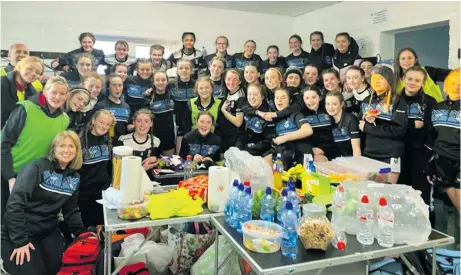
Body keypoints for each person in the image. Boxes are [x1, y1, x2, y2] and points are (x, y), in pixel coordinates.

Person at [1, 131, 86, 275]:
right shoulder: (37, 167)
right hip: (19, 233)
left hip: (47, 232)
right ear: (54, 148)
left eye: (71, 146)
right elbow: (15, 203)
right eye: (62, 146)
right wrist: (20, 241)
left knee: (57, 269)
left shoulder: (74, 178)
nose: (66, 150)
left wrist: (83, 234)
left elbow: (70, 210)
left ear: (77, 151)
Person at [1, 76, 70, 219]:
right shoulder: (25, 108)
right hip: (10, 175)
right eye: (53, 92)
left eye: (62, 94)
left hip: (35, 179)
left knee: (24, 223)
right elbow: (4, 143)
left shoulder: (64, 119)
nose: (57, 97)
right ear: (45, 91)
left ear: (67, 95)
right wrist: (9, 177)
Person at [396, 66, 437, 209]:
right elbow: (391, 127)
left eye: (417, 80)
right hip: (398, 152)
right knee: (399, 193)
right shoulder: (394, 100)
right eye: (410, 79)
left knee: (420, 194)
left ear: (423, 83)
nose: (412, 83)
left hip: (421, 153)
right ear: (403, 79)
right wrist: (412, 125)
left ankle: (424, 227)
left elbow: (434, 129)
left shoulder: (431, 102)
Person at [359, 64, 408, 184]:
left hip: (390, 154)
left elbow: (399, 131)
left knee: (387, 191)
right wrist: (368, 121)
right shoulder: (367, 101)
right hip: (370, 152)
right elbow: (361, 126)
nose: (377, 81)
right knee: (370, 190)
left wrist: (368, 128)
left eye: (381, 78)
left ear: (389, 80)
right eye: (374, 78)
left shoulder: (398, 101)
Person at [426, 68, 460, 213]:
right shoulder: (436, 108)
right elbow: (430, 136)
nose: (458, 87)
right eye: (454, 83)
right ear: (446, 87)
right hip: (442, 161)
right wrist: (430, 165)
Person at [78, 110, 115, 227]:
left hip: (104, 194)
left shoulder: (107, 140)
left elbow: (109, 167)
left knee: (103, 228)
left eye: (108, 124)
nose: (104, 126)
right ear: (94, 120)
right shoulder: (80, 140)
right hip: (85, 195)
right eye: (101, 122)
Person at [272, 88, 313, 170]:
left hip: (301, 158)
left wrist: (284, 138)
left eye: (283, 97)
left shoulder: (296, 115)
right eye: (277, 98)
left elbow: (308, 130)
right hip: (283, 159)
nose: (279, 100)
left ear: (290, 100)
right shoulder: (274, 119)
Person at [1, 56, 45, 128]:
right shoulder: (2, 84)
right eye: (29, 69)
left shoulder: (33, 93)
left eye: (37, 72)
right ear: (20, 67)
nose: (33, 73)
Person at [302, 86, 340, 161]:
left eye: (313, 97)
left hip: (333, 148)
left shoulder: (327, 109)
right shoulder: (301, 114)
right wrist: (311, 148)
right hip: (315, 151)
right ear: (303, 99)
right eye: (307, 98)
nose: (310, 101)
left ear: (319, 98)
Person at [118, 109, 161, 175]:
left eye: (146, 121)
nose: (142, 125)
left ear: (151, 123)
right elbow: (118, 170)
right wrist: (143, 168)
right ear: (134, 122)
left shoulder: (156, 142)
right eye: (139, 121)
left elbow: (161, 164)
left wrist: (156, 159)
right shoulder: (123, 141)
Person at [236, 84, 274, 158]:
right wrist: (240, 147)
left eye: (255, 94)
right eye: (249, 94)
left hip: (260, 148)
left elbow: (269, 139)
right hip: (247, 144)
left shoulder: (268, 113)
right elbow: (242, 134)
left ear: (262, 97)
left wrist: (252, 149)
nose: (252, 97)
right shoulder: (246, 107)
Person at [93, 75, 131, 144]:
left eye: (120, 85)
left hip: (122, 146)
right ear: (108, 87)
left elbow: (127, 127)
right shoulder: (101, 105)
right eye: (114, 85)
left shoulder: (126, 106)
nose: (117, 88)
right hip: (104, 144)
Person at [146, 71, 176, 155]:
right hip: (153, 138)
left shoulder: (173, 95)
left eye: (163, 80)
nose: (160, 82)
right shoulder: (148, 98)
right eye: (157, 80)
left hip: (169, 138)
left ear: (167, 81)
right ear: (153, 82)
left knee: (169, 165)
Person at [170, 59, 196, 153]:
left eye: (187, 68)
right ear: (177, 71)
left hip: (193, 119)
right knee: (178, 153)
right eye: (181, 68)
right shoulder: (171, 84)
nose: (184, 70)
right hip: (177, 120)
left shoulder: (196, 84)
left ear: (191, 70)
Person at [217, 69, 246, 152]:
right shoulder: (226, 93)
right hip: (224, 135)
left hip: (236, 138)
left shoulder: (241, 97)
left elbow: (238, 122)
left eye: (235, 79)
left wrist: (223, 110)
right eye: (228, 79)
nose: (231, 82)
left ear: (240, 81)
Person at [325, 91, 361, 157]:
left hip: (351, 160)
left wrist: (355, 166)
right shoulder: (327, 120)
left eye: (334, 104)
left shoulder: (350, 119)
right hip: (337, 161)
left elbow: (356, 149)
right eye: (328, 104)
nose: (330, 107)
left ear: (341, 104)